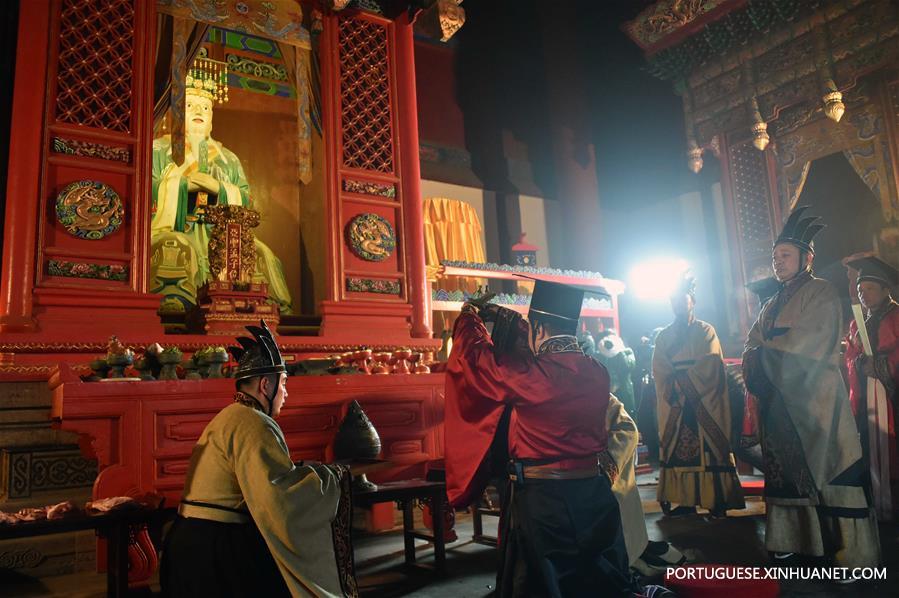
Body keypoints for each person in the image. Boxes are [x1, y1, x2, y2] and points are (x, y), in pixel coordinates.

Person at [444, 280, 640, 597]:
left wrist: (469, 316)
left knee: (542, 586)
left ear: (537, 330)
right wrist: (516, 322)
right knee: (598, 582)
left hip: (545, 502)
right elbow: (543, 354)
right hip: (593, 494)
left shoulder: (533, 376)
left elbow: (477, 361)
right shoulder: (598, 372)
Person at [161, 321, 355, 597]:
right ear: (266, 385)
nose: (286, 393)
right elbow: (279, 497)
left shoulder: (230, 414)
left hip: (187, 542)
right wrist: (333, 478)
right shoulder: (255, 423)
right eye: (284, 384)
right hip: (214, 553)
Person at [742, 206, 880, 569]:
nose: (778, 262)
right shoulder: (771, 304)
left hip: (817, 403)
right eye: (775, 257)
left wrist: (765, 355)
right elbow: (751, 345)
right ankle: (794, 541)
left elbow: (809, 346)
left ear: (808, 258)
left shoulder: (821, 293)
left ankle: (853, 556)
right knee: (785, 475)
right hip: (779, 404)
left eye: (785, 255)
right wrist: (760, 355)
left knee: (833, 471)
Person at [151, 63, 292, 312]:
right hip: (178, 226)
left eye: (205, 108)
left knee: (260, 251)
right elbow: (147, 186)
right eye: (192, 106)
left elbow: (246, 197)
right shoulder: (160, 150)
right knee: (176, 245)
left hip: (221, 232)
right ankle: (177, 299)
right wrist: (180, 184)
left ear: (212, 118)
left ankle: (266, 304)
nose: (199, 111)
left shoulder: (228, 158)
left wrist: (219, 188)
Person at [653, 273, 745, 517]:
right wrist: (675, 386)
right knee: (678, 451)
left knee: (710, 450)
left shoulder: (706, 331)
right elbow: (660, 369)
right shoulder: (663, 337)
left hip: (703, 401)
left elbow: (712, 364)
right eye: (674, 301)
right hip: (677, 405)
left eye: (682, 300)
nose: (678, 305)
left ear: (692, 301)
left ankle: (716, 499)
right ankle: (685, 500)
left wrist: (684, 382)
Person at [844, 255, 899, 522]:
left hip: (893, 396)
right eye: (859, 290)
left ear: (886, 289)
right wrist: (858, 364)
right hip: (867, 396)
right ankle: (877, 504)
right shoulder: (856, 324)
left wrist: (880, 366)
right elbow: (850, 356)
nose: (863, 295)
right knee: (869, 446)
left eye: (869, 289)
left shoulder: (897, 316)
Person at [596, 330, 638, 418]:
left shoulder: (627, 352)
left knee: (628, 416)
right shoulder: (599, 355)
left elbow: (627, 367)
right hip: (607, 392)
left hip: (624, 390)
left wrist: (618, 351)